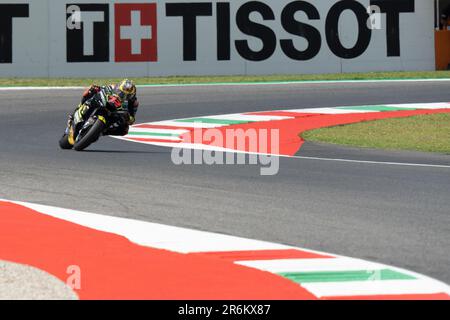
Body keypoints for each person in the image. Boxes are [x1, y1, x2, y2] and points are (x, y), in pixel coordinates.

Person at [68, 79, 139, 136]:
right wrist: (96, 88)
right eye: (122, 93)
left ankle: (101, 132)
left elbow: (132, 120)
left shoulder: (134, 103)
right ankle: (77, 110)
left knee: (125, 130)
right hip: (104, 104)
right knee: (90, 90)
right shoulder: (113, 87)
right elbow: (102, 88)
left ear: (132, 96)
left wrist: (127, 117)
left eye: (127, 96)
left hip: (115, 115)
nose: (123, 96)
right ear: (118, 88)